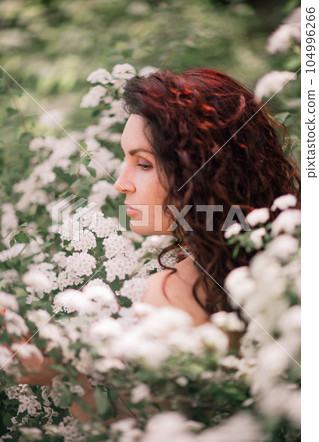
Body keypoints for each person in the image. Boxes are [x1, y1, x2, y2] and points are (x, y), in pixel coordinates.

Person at [15, 68, 300, 421]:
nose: (121, 183)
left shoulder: (176, 289)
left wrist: (60, 378)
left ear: (199, 172)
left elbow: (146, 428)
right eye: (126, 160)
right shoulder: (282, 256)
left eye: (143, 164)